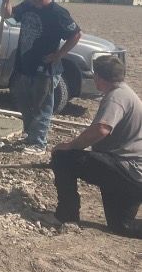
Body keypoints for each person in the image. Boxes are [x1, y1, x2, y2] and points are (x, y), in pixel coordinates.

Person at [50, 56, 142, 237]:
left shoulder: (116, 97)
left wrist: (71, 146)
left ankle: (66, 215)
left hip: (126, 170)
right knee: (121, 225)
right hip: (133, 176)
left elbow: (101, 129)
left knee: (62, 158)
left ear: (98, 77)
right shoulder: (126, 93)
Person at [2, 0, 81, 154]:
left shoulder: (58, 13)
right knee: (24, 102)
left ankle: (39, 143)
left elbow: (76, 34)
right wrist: (6, 1)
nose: (35, 1)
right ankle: (30, 134)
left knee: (42, 105)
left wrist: (59, 54)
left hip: (45, 68)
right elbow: (8, 14)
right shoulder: (27, 6)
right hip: (24, 64)